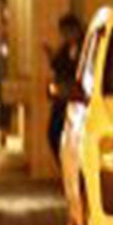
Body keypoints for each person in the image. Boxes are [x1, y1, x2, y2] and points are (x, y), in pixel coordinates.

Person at [43, 11, 84, 159]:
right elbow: (59, 66)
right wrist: (51, 57)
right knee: (53, 132)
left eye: (67, 32)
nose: (65, 36)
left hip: (78, 96)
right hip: (64, 95)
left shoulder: (86, 45)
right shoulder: (66, 48)